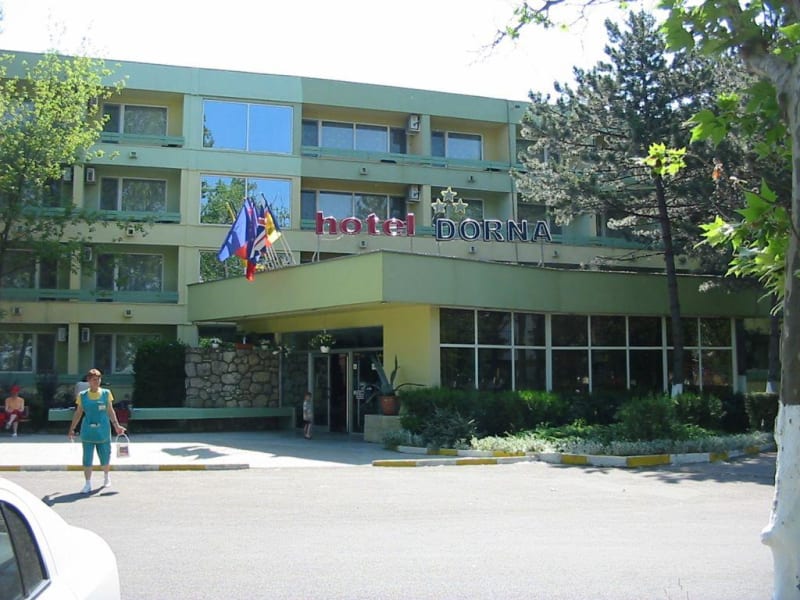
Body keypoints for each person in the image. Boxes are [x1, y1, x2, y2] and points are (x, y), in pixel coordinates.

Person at [67, 368, 126, 494]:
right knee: (87, 458)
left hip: (103, 430)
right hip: (88, 431)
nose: (97, 381)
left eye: (99, 379)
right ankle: (88, 483)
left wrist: (117, 426)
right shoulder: (82, 396)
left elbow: (110, 411)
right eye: (94, 379)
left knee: (105, 456)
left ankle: (106, 476)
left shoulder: (106, 393)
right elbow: (78, 413)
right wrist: (72, 428)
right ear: (88, 381)